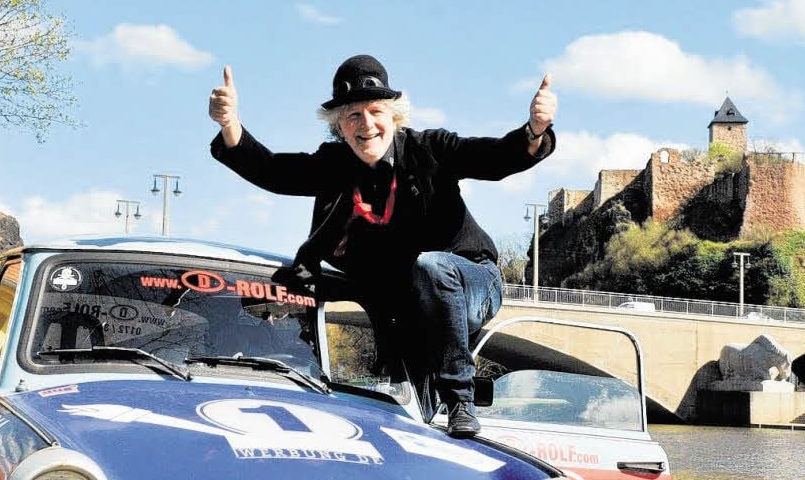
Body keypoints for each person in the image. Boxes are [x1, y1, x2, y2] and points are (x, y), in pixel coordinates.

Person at [208, 55, 556, 437]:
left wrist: (534, 130)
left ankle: (461, 400)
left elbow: (492, 158)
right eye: (353, 115)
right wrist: (231, 125)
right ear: (339, 127)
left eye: (375, 111)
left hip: (470, 280)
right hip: (407, 302)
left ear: (394, 117)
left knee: (431, 268)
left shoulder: (430, 150)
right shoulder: (335, 166)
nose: (366, 125)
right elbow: (273, 170)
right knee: (416, 421)